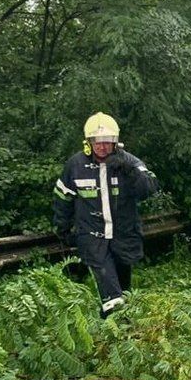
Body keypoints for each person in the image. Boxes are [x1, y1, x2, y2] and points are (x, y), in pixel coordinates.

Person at [52, 112, 159, 317]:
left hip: (123, 236)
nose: (102, 147)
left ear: (115, 142)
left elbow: (150, 188)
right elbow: (62, 198)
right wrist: (62, 228)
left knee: (124, 291)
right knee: (112, 294)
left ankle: (117, 329)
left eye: (107, 142)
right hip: (93, 238)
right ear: (88, 142)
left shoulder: (128, 161)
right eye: (96, 142)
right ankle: (118, 333)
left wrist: (129, 170)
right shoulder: (75, 165)